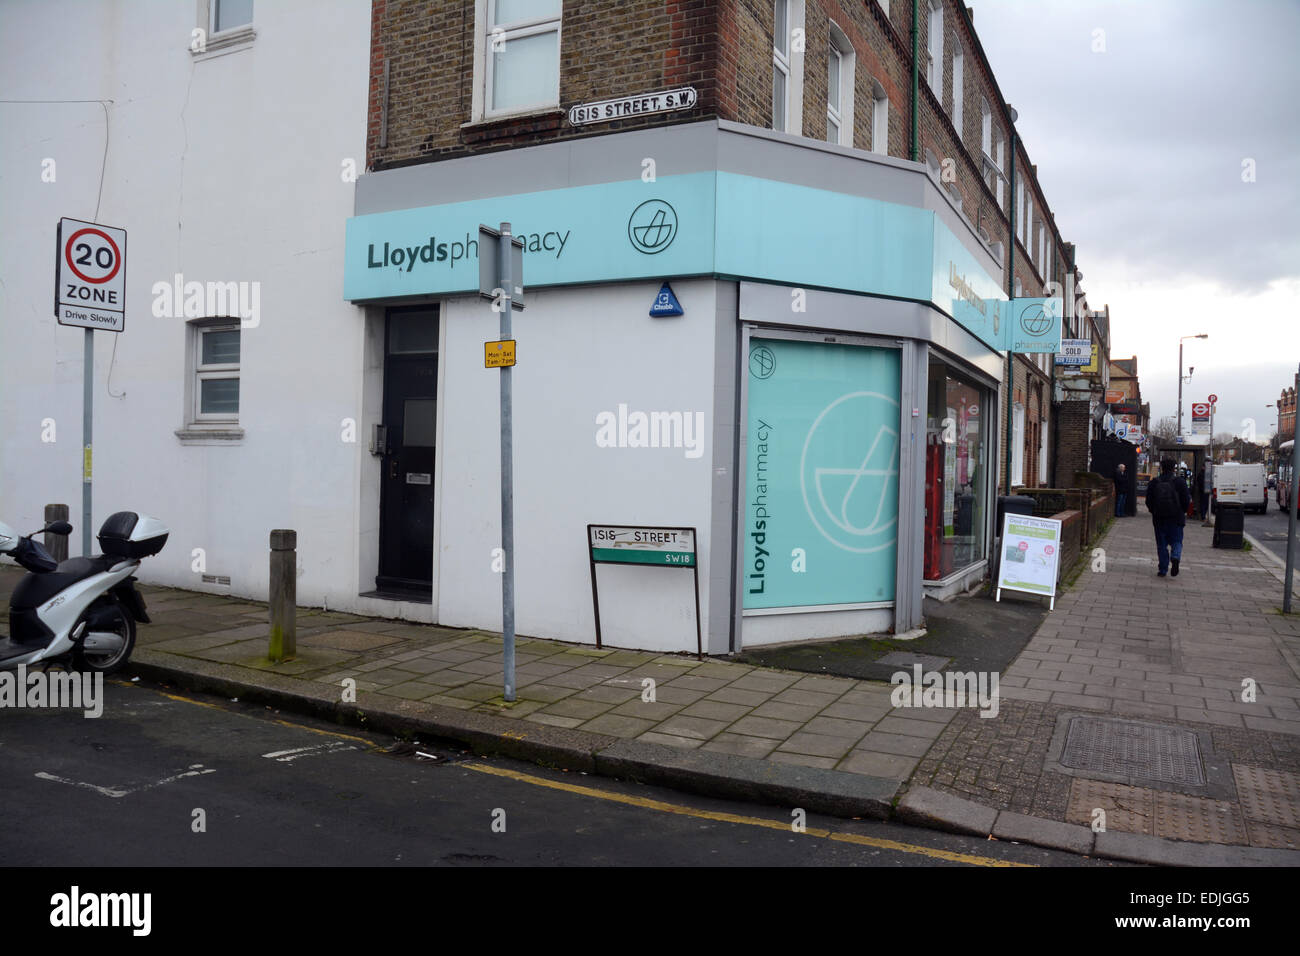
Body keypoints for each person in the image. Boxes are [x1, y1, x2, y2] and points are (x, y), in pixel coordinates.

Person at [1146, 457, 1192, 577]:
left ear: (1162, 468)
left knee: (1161, 544)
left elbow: (1148, 501)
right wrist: (1183, 511)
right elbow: (1186, 500)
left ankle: (1163, 569)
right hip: (1176, 518)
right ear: (1174, 468)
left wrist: (1154, 511)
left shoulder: (1154, 482)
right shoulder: (1180, 482)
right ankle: (1175, 557)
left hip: (1159, 518)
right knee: (1177, 541)